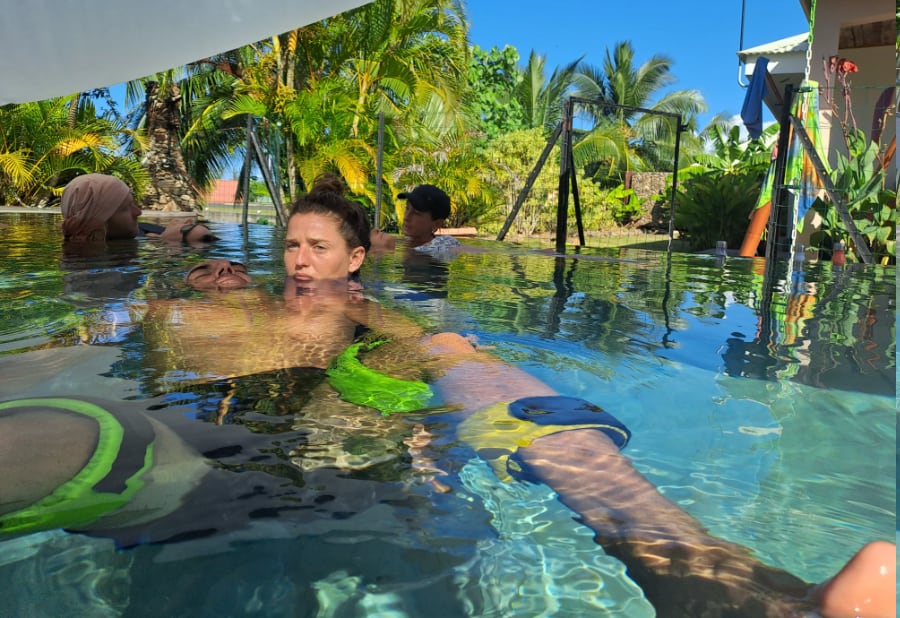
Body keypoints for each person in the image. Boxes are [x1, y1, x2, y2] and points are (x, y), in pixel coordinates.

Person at [7, 180, 894, 617]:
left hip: (359, 480)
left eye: (320, 247)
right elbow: (68, 346)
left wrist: (451, 415)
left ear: (357, 259)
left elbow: (463, 366)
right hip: (204, 472)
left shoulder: (375, 318)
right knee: (85, 434)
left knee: (494, 386)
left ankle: (707, 579)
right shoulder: (196, 305)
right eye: (291, 246)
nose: (300, 261)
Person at [59, 174, 217, 246]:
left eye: (133, 203)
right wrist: (169, 241)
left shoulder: (143, 230)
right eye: (125, 208)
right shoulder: (85, 264)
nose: (138, 212)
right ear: (99, 222)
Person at [370, 184, 462, 258]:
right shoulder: (403, 243)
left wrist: (387, 249)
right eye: (407, 208)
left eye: (416, 213)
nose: (406, 217)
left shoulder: (439, 247)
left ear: (436, 224)